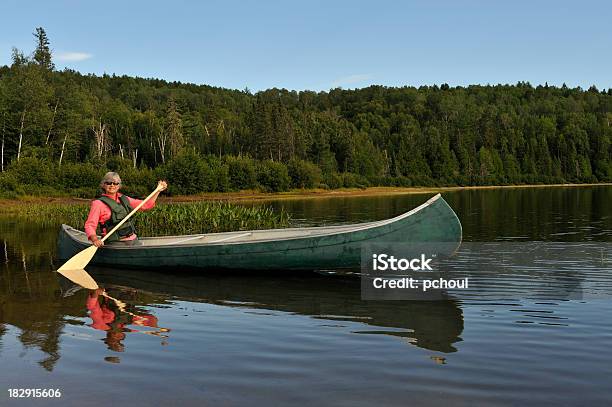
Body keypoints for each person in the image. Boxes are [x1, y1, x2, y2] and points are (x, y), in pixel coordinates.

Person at [85, 172, 167, 247]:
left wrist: (158, 191)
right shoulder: (98, 204)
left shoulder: (124, 199)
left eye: (115, 183)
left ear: (119, 186)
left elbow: (146, 205)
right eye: (109, 183)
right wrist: (95, 239)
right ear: (103, 185)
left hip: (134, 240)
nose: (112, 185)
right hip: (115, 242)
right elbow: (90, 225)